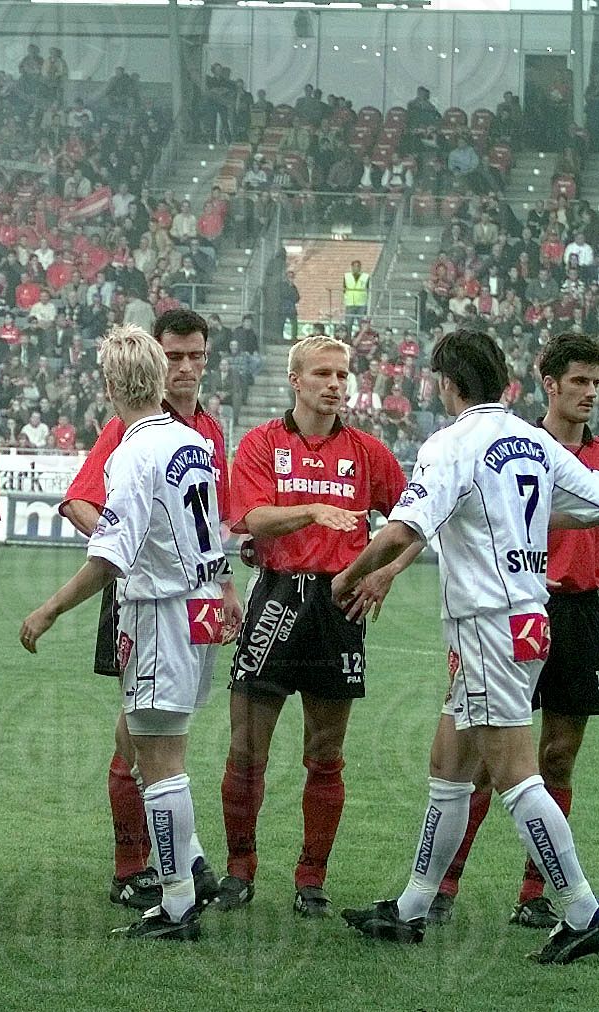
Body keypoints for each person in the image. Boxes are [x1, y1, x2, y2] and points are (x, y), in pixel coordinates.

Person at [335, 328, 599, 964]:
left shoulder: (451, 443)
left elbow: (404, 528)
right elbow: (591, 505)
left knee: (515, 775)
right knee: (449, 765)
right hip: (526, 618)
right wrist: (522, 524)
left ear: (447, 384)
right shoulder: (531, 439)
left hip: (487, 623)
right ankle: (412, 907)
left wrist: (347, 575)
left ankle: (584, 911)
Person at [21, 324, 234, 941]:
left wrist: (50, 609)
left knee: (160, 761)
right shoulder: (192, 441)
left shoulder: (133, 453)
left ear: (110, 385)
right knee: (155, 749)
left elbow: (110, 555)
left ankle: (177, 902)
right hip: (199, 606)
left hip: (161, 612)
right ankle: (190, 871)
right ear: (161, 378)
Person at [217, 334, 407, 918]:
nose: (335, 384)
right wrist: (312, 510)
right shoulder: (261, 443)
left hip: (339, 603)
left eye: (342, 374)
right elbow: (251, 518)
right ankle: (239, 870)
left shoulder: (369, 452)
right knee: (247, 751)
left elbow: (416, 519)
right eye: (323, 373)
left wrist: (385, 573)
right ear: (295, 380)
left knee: (326, 754)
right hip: (277, 598)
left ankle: (311, 879)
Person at [430, 333, 599, 928]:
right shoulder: (522, 443)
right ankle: (432, 894)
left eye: (595, 383)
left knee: (548, 761)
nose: (589, 392)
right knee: (472, 761)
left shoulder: (585, 458)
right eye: (579, 381)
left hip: (565, 615)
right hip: (524, 611)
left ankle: (548, 898)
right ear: (546, 384)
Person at [343, 260, 368, 330]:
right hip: (350, 303)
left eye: (358, 266)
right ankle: (348, 336)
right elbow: (344, 289)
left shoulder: (365, 277)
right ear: (351, 267)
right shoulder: (347, 276)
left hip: (361, 304)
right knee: (348, 324)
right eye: (354, 266)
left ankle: (362, 336)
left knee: (362, 324)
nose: (356, 268)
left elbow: (368, 288)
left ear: (360, 267)